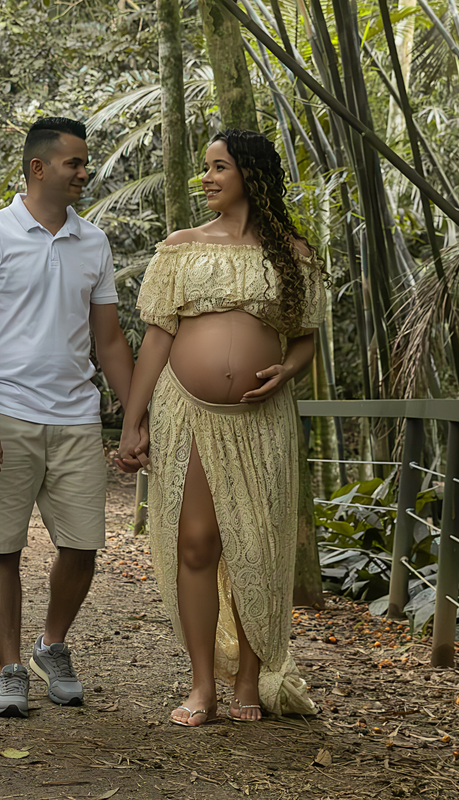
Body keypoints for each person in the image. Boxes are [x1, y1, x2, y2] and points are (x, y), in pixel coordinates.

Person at [115, 129, 323, 726]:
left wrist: (286, 371)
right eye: (205, 167)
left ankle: (250, 682)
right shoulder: (180, 249)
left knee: (258, 545)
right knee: (197, 542)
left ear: (250, 176)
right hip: (189, 413)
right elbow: (157, 337)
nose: (206, 178)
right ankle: (202, 685)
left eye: (219, 167)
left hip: (262, 418)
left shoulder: (293, 252)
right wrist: (134, 422)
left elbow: (305, 339)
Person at [0, 117, 135, 718]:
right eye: (74, 164)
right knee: (1, 548)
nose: (85, 173)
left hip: (77, 416)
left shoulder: (94, 242)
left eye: (85, 164)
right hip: (6, 414)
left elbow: (109, 341)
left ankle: (50, 646)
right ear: (38, 168)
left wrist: (134, 418)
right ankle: (8, 670)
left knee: (82, 547)